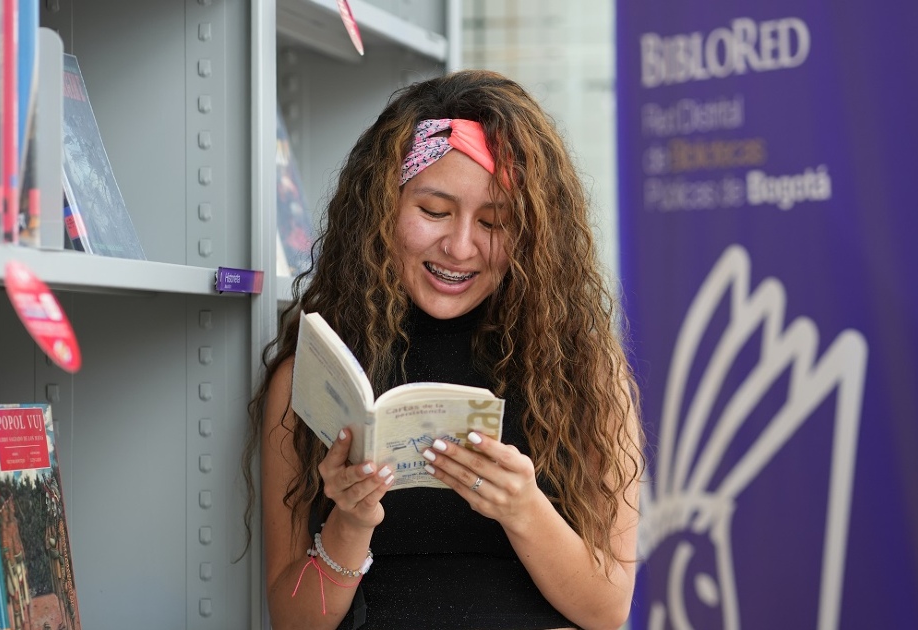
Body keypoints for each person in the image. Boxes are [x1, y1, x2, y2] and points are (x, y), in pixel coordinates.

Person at [241, 70, 643, 630]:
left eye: (495, 221)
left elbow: (607, 610)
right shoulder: (309, 379)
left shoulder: (581, 370)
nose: (459, 247)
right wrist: (351, 523)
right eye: (433, 211)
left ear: (532, 233)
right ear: (381, 211)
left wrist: (521, 508)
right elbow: (293, 620)